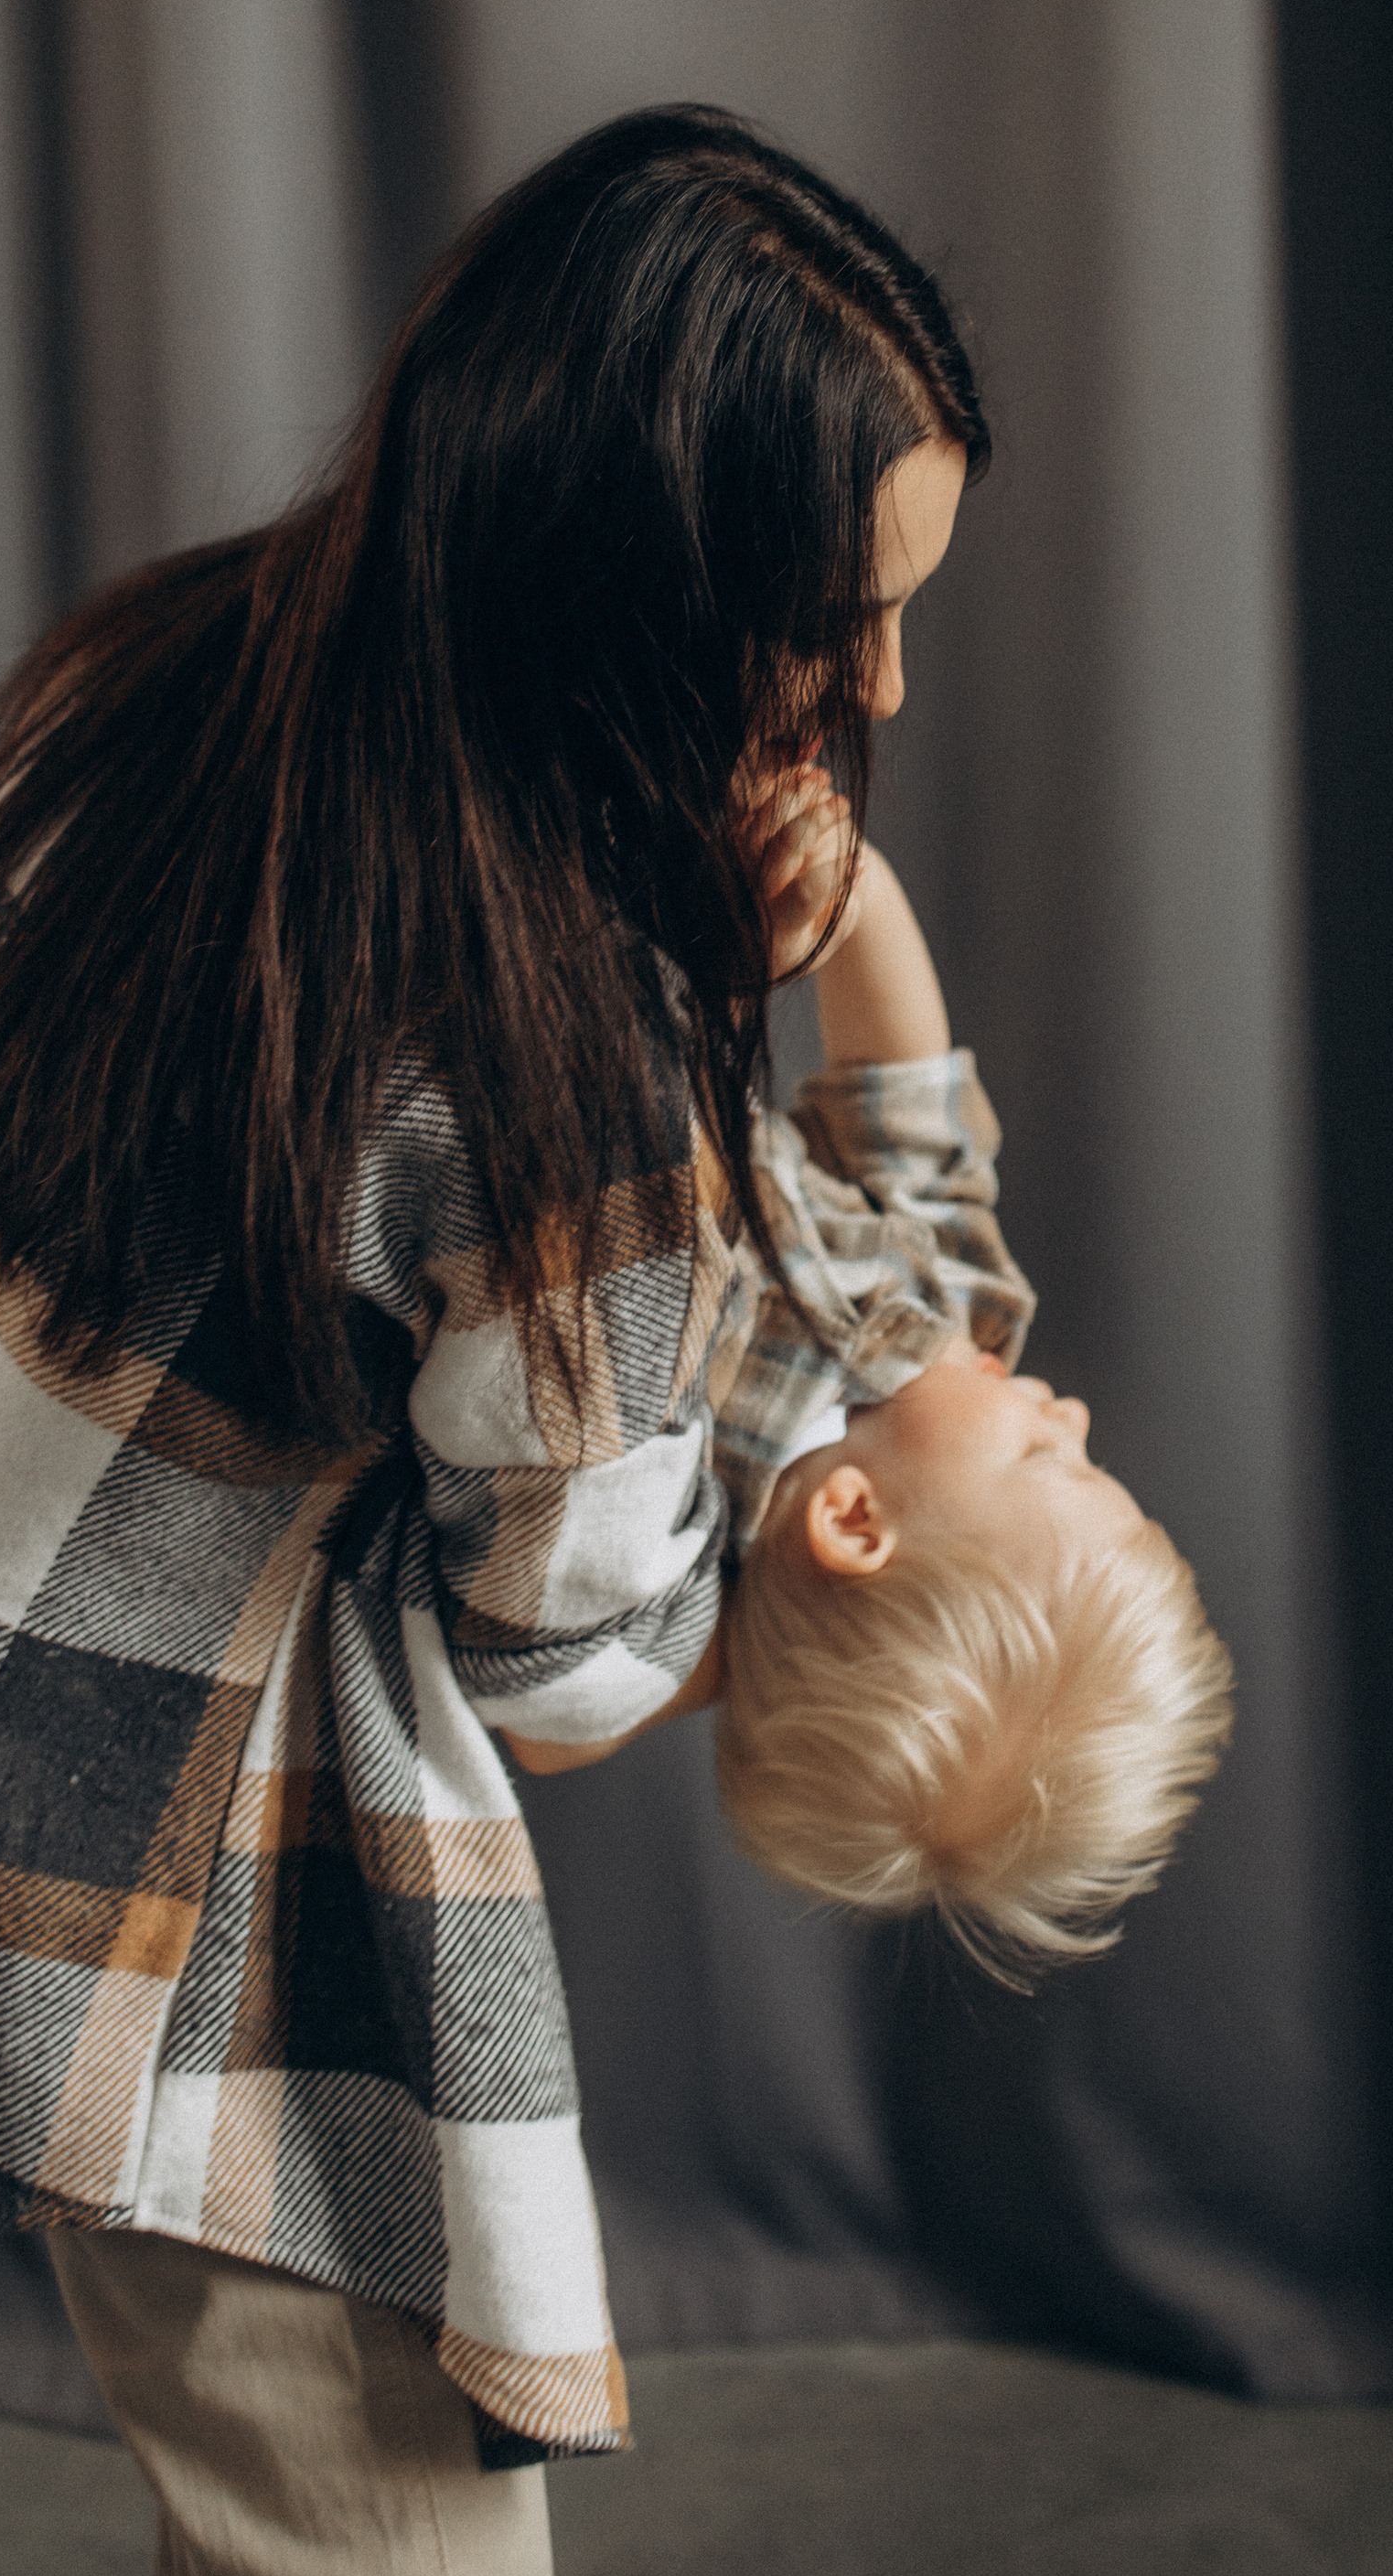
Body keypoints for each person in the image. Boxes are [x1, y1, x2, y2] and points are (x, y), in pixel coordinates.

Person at [0, 105, 1201, 2576]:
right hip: (259, 2021)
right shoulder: (563, 1073)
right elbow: (567, 1664)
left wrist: (836, 964)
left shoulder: (168, 701)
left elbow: (904, 1292)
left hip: (53, 1868)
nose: (879, 686)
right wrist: (725, 1578)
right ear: (645, 576)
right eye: (839, 613)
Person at [498, 808, 1234, 1993]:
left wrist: (723, 1662)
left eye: (1048, 1460)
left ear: (853, 1523)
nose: (1075, 1416)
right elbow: (911, 1114)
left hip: (530, 1047)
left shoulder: (667, 1521)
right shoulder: (954, 1313)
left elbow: (553, 1722)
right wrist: (857, 908)